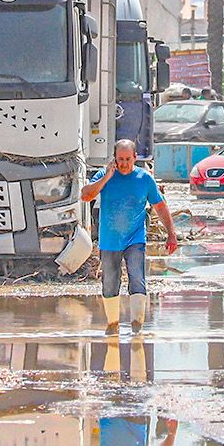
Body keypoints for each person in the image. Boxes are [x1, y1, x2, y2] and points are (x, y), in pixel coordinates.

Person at [82, 138, 177, 332]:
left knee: (137, 279)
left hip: (135, 238)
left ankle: (137, 326)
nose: (124, 164)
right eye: (120, 159)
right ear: (114, 159)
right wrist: (107, 177)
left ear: (135, 158)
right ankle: (112, 325)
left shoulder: (144, 179)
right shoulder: (104, 175)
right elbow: (85, 195)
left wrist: (171, 234)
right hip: (109, 239)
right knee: (110, 283)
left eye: (127, 159)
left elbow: (160, 206)